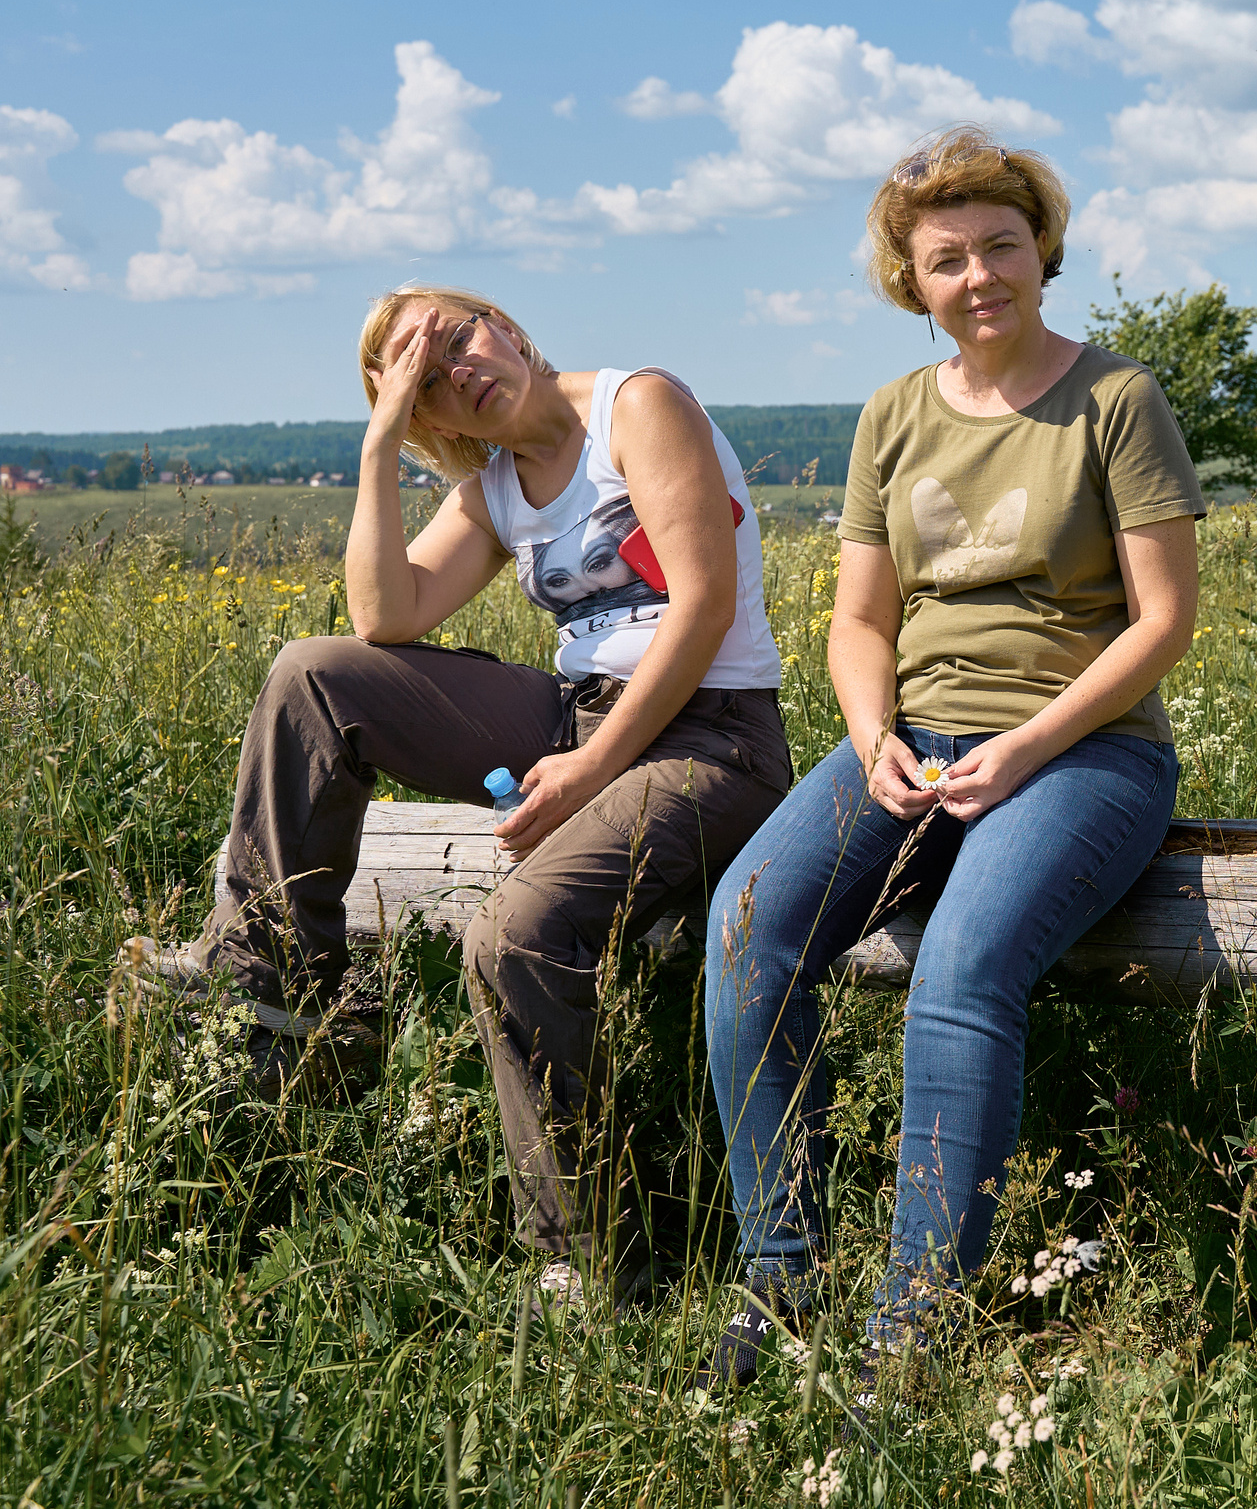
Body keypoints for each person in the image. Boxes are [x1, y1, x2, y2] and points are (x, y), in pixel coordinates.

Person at [126, 284, 790, 1306]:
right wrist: (377, 446)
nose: (458, 372)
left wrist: (592, 770)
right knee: (314, 674)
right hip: (581, 719)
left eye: (457, 340)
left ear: (507, 328)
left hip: (713, 739)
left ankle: (593, 1265)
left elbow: (702, 607)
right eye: (426, 380)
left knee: (513, 934)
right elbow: (383, 615)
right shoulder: (494, 489)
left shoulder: (638, 407)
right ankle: (274, 984)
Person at [700, 126, 1202, 1383]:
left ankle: (912, 1333)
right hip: (915, 746)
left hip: (1083, 750)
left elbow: (1162, 621)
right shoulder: (893, 414)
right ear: (909, 281)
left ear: (1041, 252)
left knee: (961, 971)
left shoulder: (1116, 399)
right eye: (946, 259)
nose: (979, 276)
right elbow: (861, 622)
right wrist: (873, 739)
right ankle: (781, 1277)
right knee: (747, 929)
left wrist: (1027, 745)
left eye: (1000, 246)